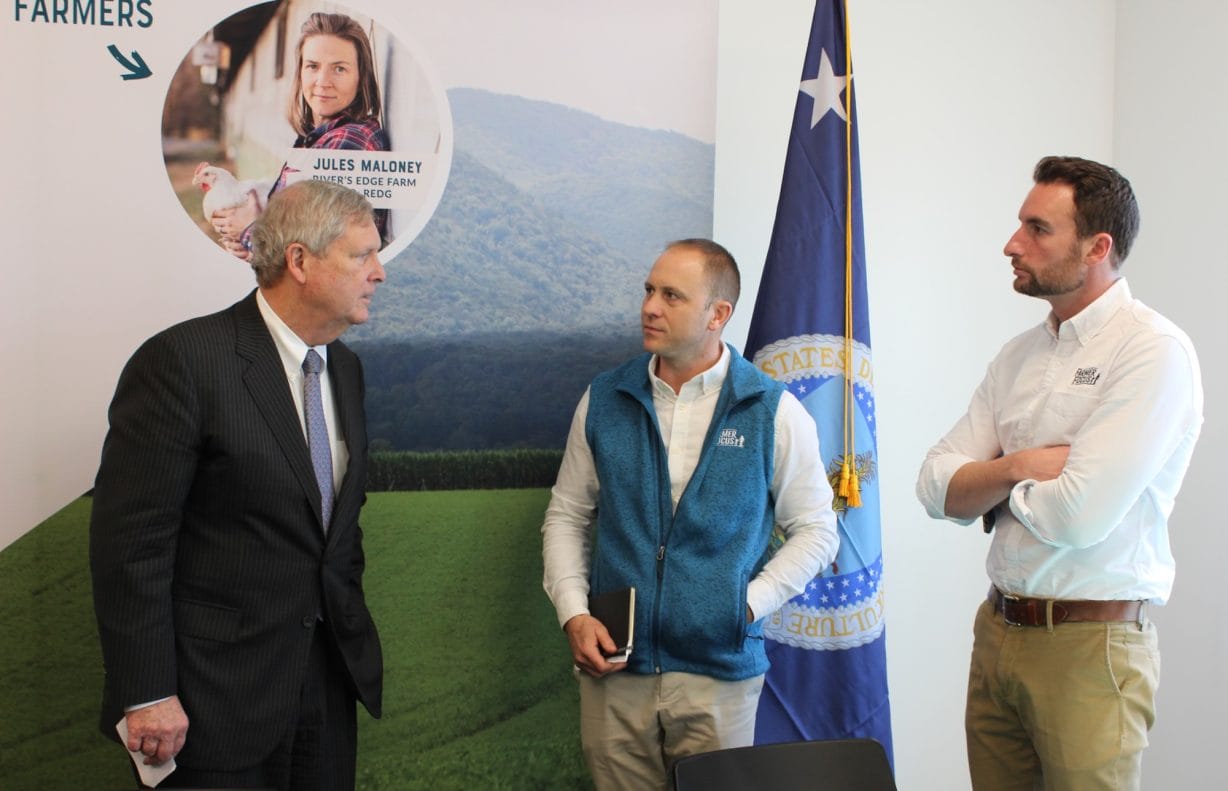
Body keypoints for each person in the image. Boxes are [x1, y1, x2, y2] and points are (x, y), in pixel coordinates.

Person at [915, 156, 1204, 790]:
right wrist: (1023, 466)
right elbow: (935, 486)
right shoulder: (1018, 354)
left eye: (1037, 229)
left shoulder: (1153, 352)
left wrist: (988, 486)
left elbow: (1077, 517)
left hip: (1090, 649)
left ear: (1098, 247)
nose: (1012, 244)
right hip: (996, 633)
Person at [90, 179, 387, 790]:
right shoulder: (184, 362)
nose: (379, 272)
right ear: (299, 261)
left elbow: (334, 534)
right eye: (363, 255)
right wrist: (147, 693)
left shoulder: (346, 369)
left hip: (326, 694)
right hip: (209, 703)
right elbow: (131, 547)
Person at [542, 238, 840, 790]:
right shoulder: (605, 398)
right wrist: (573, 613)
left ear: (717, 315)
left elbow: (818, 531)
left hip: (718, 676)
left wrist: (746, 606)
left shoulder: (772, 410)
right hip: (614, 671)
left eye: (672, 296)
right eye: (649, 291)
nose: (650, 306)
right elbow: (567, 515)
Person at [211, 12, 391, 259]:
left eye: (339, 68)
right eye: (313, 66)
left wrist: (250, 231)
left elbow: (322, 254)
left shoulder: (349, 143)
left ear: (361, 78)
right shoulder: (317, 139)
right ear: (301, 72)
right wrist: (253, 248)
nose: (322, 81)